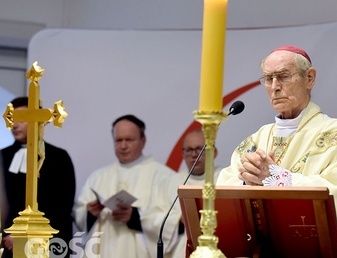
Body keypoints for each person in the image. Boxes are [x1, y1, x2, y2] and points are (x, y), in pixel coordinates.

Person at [217, 45, 337, 258]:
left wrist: (275, 177)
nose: (275, 87)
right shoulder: (254, 141)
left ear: (309, 78)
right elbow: (223, 191)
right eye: (268, 79)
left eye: (283, 76)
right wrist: (248, 182)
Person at [73, 114, 175, 258]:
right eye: (118, 140)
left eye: (129, 140)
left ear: (143, 140)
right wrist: (90, 214)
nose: (123, 146)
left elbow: (174, 222)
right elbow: (79, 214)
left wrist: (136, 217)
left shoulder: (163, 176)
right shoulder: (98, 177)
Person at [0, 97, 76, 258]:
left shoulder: (57, 157)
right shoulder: (2, 157)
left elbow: (62, 206)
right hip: (6, 245)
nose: (14, 125)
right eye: (12, 119)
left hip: (46, 244)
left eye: (21, 119)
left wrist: (25, 235)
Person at [164, 128, 221, 257]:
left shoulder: (226, 178)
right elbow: (153, 220)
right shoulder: (170, 182)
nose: (194, 155)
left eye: (200, 149)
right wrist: (179, 220)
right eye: (189, 150)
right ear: (183, 154)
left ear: (214, 151)